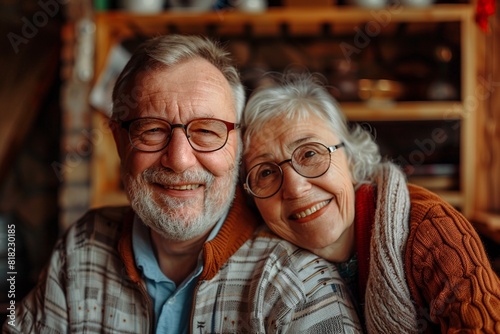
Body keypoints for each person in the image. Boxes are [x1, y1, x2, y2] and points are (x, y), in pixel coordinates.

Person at [2, 35, 363, 333]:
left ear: (237, 146)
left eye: (206, 131)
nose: (179, 159)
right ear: (118, 141)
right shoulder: (82, 247)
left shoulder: (298, 286)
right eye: (152, 130)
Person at [241, 72, 500, 333]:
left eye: (310, 153)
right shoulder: (262, 258)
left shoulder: (430, 228)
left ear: (352, 160)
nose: (295, 188)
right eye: (266, 172)